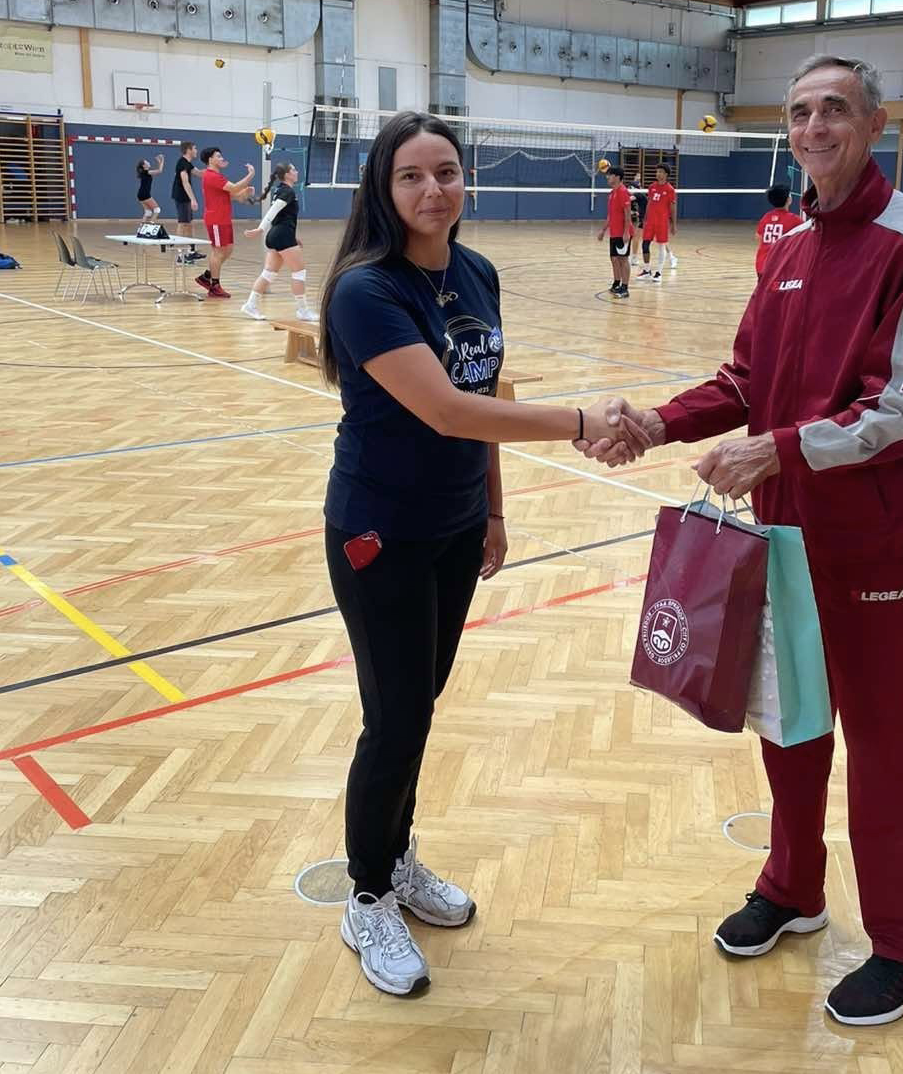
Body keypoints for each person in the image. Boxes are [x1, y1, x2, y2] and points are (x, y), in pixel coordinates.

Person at [578, 54, 903, 1027]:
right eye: (799, 112)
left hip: (871, 553)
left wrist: (779, 450)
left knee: (884, 748)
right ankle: (793, 888)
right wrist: (660, 423)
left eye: (834, 109)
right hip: (782, 537)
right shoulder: (787, 245)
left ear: (875, 124)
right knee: (788, 724)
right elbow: (746, 378)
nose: (814, 126)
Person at [318, 111, 650, 998]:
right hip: (379, 533)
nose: (433, 190)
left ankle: (395, 855)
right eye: (411, 176)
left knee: (417, 706)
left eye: (447, 172)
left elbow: (483, 390)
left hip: (457, 526)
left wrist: (494, 509)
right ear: (384, 188)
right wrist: (580, 421)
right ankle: (366, 893)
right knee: (395, 720)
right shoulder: (364, 291)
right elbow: (446, 410)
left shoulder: (477, 272)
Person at [241, 162, 315, 322]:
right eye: (294, 169)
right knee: (299, 272)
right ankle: (303, 310)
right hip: (282, 235)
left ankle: (250, 305)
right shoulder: (287, 191)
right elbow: (272, 212)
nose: (297, 171)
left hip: (277, 235)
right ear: (287, 175)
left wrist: (293, 237)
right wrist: (260, 229)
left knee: (269, 273)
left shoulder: (280, 189)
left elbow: (283, 217)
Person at [196, 147, 255, 299]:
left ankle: (206, 276)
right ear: (210, 160)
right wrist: (250, 175)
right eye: (218, 156)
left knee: (228, 250)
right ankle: (214, 286)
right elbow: (234, 188)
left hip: (224, 218)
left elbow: (235, 196)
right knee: (218, 251)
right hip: (215, 219)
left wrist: (245, 193)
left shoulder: (218, 176)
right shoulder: (211, 176)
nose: (222, 158)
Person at [636, 163, 677, 283]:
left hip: (662, 222)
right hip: (650, 221)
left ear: (666, 174)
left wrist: (674, 224)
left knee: (661, 246)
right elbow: (649, 203)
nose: (658, 174)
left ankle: (658, 273)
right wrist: (645, 218)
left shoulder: (670, 189)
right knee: (645, 245)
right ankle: (647, 270)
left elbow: (673, 208)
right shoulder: (652, 187)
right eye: (657, 171)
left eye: (661, 172)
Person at [596, 164, 633, 299]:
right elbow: (610, 215)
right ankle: (617, 283)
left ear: (617, 177)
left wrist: (626, 232)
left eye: (610, 175)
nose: (608, 177)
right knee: (614, 259)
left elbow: (628, 214)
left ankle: (625, 288)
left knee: (623, 259)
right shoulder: (612, 193)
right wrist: (603, 230)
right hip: (614, 232)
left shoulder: (623, 192)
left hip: (623, 233)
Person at [755, 183, 802, 277]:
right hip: (781, 268)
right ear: (788, 199)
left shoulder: (766, 217)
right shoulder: (795, 220)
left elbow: (758, 237)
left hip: (762, 265)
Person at [171, 142, 203, 264]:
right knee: (183, 224)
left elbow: (200, 173)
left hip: (185, 197)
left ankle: (190, 252)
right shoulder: (182, 163)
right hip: (182, 197)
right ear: (189, 150)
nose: (196, 150)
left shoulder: (188, 163)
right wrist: (193, 199)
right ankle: (179, 255)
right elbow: (185, 183)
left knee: (189, 224)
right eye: (195, 148)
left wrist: (214, 167)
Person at [135, 154, 164, 220]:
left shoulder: (145, 172)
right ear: (144, 166)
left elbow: (157, 170)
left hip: (140, 194)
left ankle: (142, 226)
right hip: (145, 194)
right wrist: (162, 160)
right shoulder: (146, 172)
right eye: (147, 162)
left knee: (148, 212)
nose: (148, 162)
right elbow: (160, 171)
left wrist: (159, 162)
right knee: (157, 210)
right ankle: (151, 225)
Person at [629, 172, 648, 267]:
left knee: (636, 237)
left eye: (630, 188)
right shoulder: (639, 195)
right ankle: (634, 258)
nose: (629, 190)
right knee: (636, 237)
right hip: (643, 218)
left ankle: (634, 258)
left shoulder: (638, 194)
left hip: (646, 219)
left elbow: (627, 200)